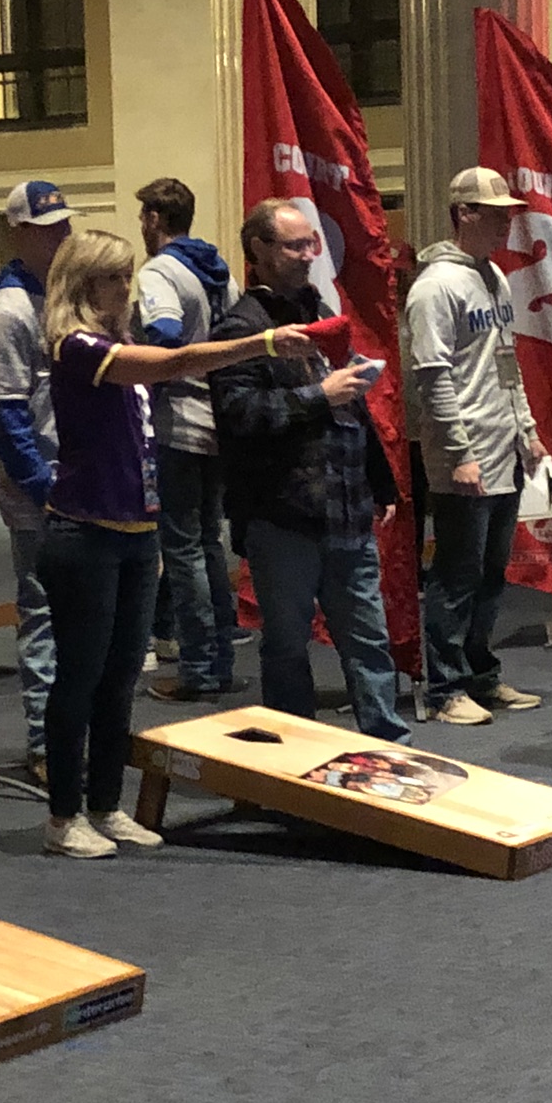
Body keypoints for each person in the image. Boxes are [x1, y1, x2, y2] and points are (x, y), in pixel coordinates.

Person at [36, 229, 313, 858]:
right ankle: (62, 817)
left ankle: (105, 806)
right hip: (84, 533)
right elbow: (176, 364)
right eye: (114, 278)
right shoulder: (75, 347)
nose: (124, 288)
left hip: (135, 533)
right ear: (85, 284)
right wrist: (259, 342)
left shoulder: (115, 343)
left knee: (118, 679)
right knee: (79, 678)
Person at [212, 200, 410, 744]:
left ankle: (388, 746)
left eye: (311, 244)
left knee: (369, 640)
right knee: (286, 646)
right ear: (260, 251)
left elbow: (352, 403)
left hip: (345, 506)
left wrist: (379, 478)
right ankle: (295, 758)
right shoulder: (241, 327)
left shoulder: (317, 307)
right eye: (295, 245)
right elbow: (239, 415)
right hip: (283, 516)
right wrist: (316, 395)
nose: (307, 255)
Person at [403, 167, 544, 726]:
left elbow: (506, 360)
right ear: (464, 213)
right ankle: (444, 688)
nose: (507, 222)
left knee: (492, 571)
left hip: (504, 445)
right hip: (463, 453)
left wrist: (527, 427)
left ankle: (481, 674)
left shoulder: (494, 278)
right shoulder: (435, 286)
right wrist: (459, 452)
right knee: (457, 574)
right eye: (496, 213)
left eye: (509, 212)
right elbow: (432, 375)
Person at [0, 180, 72, 778]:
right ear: (18, 234)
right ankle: (43, 742)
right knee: (43, 616)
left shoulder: (57, 300)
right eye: (46, 229)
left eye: (63, 225)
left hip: (78, 479)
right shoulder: (6, 314)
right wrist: (40, 486)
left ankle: (66, 735)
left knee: (75, 619)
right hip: (44, 489)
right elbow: (3, 410)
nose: (60, 237)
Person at [131, 177, 242, 703]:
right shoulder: (223, 273)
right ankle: (220, 656)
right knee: (209, 545)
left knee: (182, 550)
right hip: (223, 420)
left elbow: (167, 337)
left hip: (181, 422)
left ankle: (197, 667)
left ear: (155, 219)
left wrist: (132, 347)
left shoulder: (159, 272)